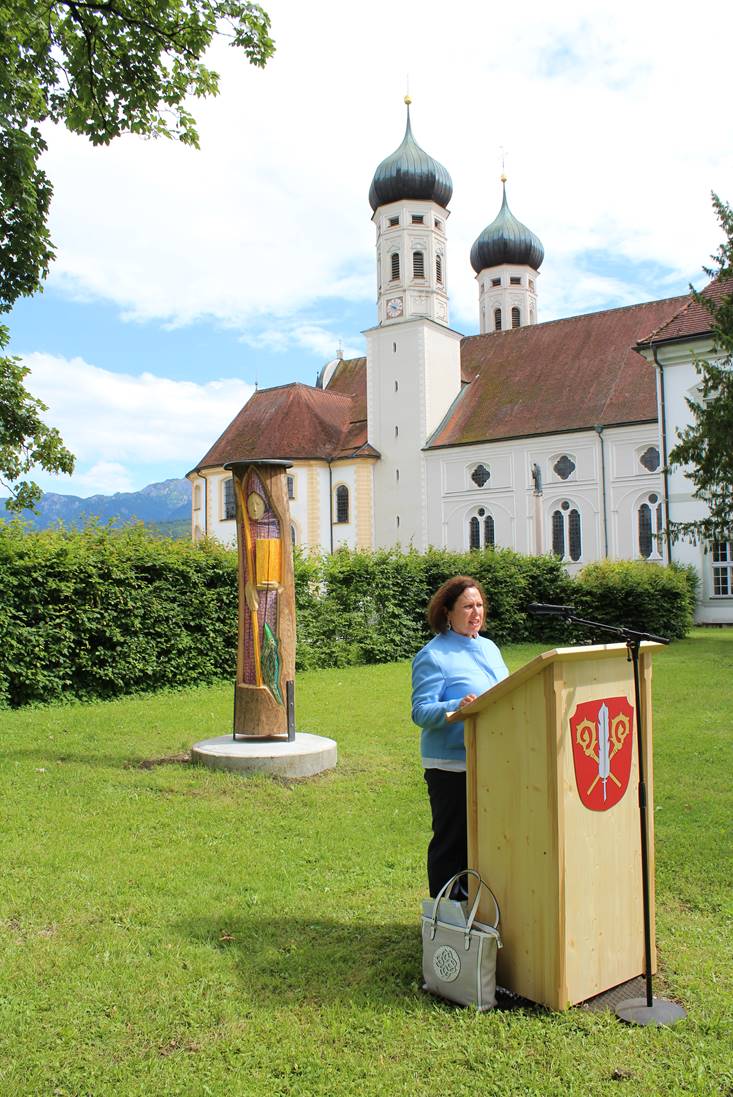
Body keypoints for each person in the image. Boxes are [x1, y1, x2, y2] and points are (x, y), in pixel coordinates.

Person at [411, 575, 509, 897]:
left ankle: (476, 909)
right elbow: (421, 712)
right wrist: (458, 705)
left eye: (479, 605)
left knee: (484, 842)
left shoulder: (490, 648)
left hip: (491, 759)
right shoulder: (433, 656)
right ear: (447, 613)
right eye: (467, 606)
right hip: (451, 766)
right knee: (452, 843)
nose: (475, 612)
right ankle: (446, 918)